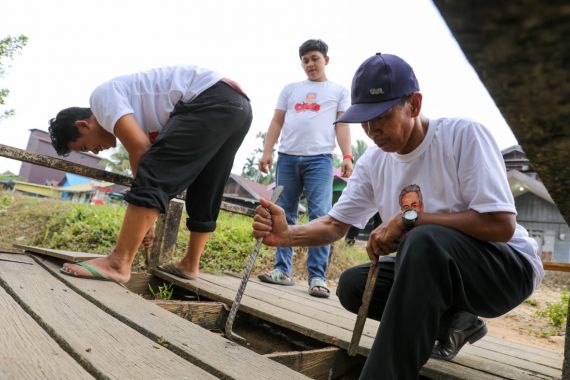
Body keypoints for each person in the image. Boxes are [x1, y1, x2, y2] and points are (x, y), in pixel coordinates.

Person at [252, 53, 543, 378]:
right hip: (435, 269)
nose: (373, 130)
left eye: (383, 116)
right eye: (364, 120)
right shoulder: (374, 162)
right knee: (353, 285)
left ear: (414, 105)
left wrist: (412, 219)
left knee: (423, 239)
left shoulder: (462, 137)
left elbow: (501, 225)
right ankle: (455, 321)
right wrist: (287, 234)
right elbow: (335, 224)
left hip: (505, 269)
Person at [48, 65, 252, 283]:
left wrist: (149, 219)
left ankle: (118, 263)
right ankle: (190, 264)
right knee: (207, 184)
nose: (94, 151)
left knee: (154, 168)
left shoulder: (101, 98)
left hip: (210, 98)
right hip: (239, 107)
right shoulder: (136, 115)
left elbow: (141, 151)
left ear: (83, 124)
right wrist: (147, 221)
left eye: (84, 147)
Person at [257, 39, 353, 298]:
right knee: (283, 213)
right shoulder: (290, 89)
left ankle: (317, 277)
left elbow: (342, 125)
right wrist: (267, 151)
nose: (310, 64)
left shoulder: (338, 91)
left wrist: (347, 155)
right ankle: (282, 270)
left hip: (320, 159)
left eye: (315, 58)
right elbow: (277, 121)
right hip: (287, 157)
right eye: (306, 60)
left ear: (326, 60)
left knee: (320, 215)